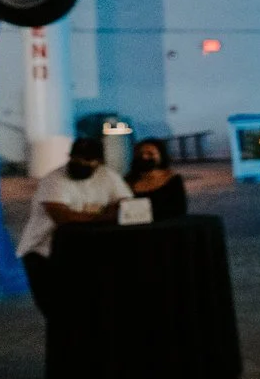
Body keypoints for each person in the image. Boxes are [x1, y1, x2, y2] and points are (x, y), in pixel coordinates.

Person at [17, 135, 133, 317]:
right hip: (43, 251)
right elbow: (62, 217)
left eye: (86, 159)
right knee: (55, 310)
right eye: (75, 157)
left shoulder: (108, 176)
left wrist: (87, 216)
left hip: (81, 252)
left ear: (98, 162)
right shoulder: (54, 179)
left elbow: (126, 206)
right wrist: (105, 215)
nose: (79, 162)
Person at [126, 138, 188, 219]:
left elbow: (179, 210)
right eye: (140, 153)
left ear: (160, 155)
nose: (144, 157)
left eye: (150, 154)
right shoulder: (128, 181)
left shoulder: (173, 180)